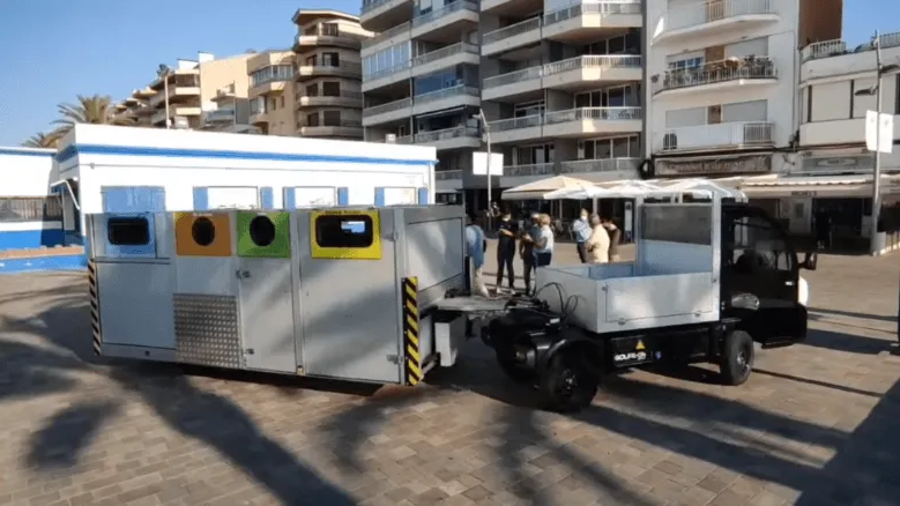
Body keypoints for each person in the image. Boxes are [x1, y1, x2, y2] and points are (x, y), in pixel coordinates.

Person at [465, 215, 490, 297]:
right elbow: (485, 244)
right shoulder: (479, 229)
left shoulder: (465, 231)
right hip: (479, 258)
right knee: (479, 276)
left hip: (470, 261)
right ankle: (482, 293)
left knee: (475, 280)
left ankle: (485, 295)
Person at [495, 207, 518, 291]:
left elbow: (516, 235)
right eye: (503, 215)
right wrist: (500, 232)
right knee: (500, 266)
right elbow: (497, 231)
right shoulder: (498, 220)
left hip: (510, 246)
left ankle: (511, 285)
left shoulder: (514, 222)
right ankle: (498, 285)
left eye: (506, 215)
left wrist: (505, 232)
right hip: (501, 246)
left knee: (509, 266)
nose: (504, 217)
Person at [519, 213, 541, 295]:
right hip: (529, 254)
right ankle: (529, 289)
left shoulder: (540, 229)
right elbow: (522, 242)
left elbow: (540, 242)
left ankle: (534, 290)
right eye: (533, 219)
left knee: (535, 274)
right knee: (528, 274)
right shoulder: (529, 229)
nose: (534, 220)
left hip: (534, 254)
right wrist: (520, 251)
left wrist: (520, 251)